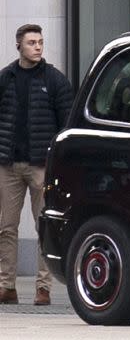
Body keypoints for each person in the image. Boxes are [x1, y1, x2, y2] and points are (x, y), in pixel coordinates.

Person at [0, 24, 73, 305]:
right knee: (6, 226)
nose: (38, 47)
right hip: (9, 164)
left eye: (41, 42)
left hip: (42, 165)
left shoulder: (55, 80)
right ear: (19, 45)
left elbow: (66, 122)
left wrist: (58, 159)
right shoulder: (6, 78)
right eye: (32, 42)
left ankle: (44, 288)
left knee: (44, 225)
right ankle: (7, 286)